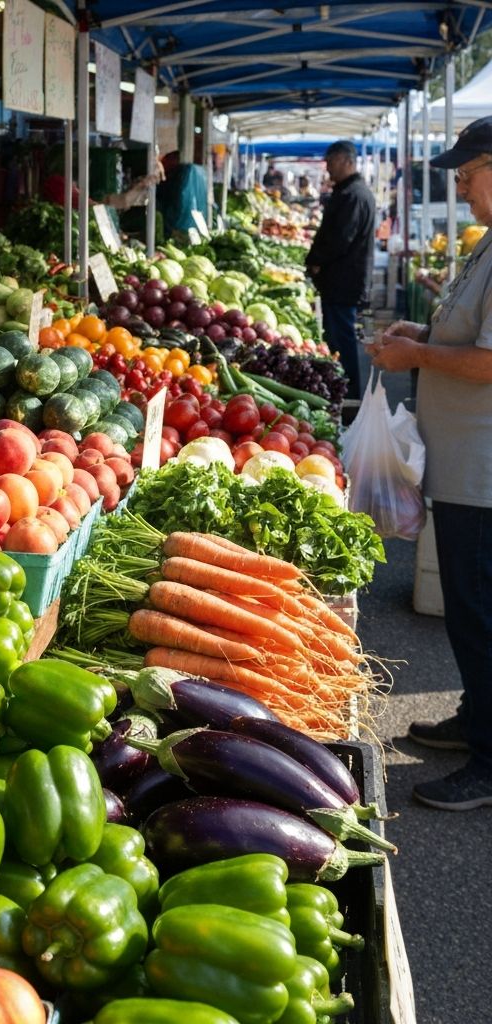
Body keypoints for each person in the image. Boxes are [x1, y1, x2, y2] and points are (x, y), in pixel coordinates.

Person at [366, 115, 492, 811]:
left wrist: (418, 357)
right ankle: (477, 718)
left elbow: (488, 361)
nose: (462, 188)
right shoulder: (487, 243)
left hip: (484, 470)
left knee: (479, 609)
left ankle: (489, 762)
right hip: (465, 463)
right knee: (472, 609)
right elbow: (465, 336)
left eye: (470, 174)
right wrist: (423, 333)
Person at [305, 140, 376, 401]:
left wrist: (316, 260)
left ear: (347, 161)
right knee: (339, 338)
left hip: (344, 280)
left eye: (331, 162)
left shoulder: (353, 195)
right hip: (343, 279)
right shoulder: (350, 192)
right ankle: (344, 390)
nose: (328, 168)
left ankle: (350, 394)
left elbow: (340, 239)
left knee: (343, 339)